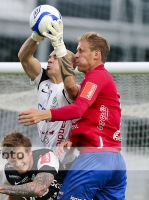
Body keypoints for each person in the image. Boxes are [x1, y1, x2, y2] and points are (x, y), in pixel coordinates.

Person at [18, 20, 127, 200]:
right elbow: (94, 118)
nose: (77, 55)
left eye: (80, 51)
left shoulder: (85, 82)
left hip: (89, 159)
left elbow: (78, 109)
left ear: (96, 54)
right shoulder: (49, 82)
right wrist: (74, 138)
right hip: (111, 158)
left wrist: (42, 115)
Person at [17, 30, 79, 166]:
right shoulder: (43, 81)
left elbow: (71, 88)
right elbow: (24, 57)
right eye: (50, 56)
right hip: (47, 156)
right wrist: (36, 36)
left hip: (67, 163)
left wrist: (59, 46)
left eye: (56, 57)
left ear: (70, 66)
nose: (50, 59)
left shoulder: (73, 90)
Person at [0, 130, 67, 200]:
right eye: (12, 161)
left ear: (29, 151)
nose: (18, 163)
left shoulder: (46, 157)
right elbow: (14, 196)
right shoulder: (9, 171)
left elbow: (39, 188)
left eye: (20, 157)